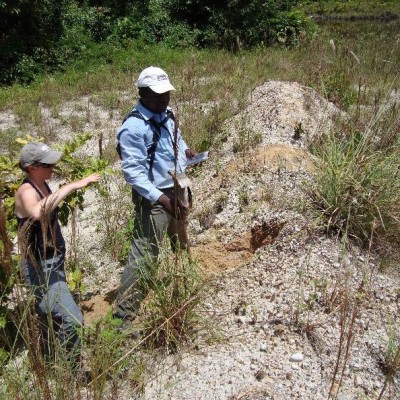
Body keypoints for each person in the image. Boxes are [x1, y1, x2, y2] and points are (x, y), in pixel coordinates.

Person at [114, 66, 196, 321]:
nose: (164, 99)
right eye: (158, 95)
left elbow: (176, 141)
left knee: (179, 238)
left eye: (167, 94)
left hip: (177, 188)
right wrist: (163, 199)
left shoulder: (167, 114)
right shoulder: (133, 129)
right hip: (155, 198)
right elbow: (134, 174)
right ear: (142, 93)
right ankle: (123, 316)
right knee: (145, 251)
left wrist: (187, 152)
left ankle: (183, 281)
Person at [15, 141, 100, 366]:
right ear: (32, 167)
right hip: (40, 267)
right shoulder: (26, 191)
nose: (53, 167)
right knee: (72, 319)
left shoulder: (42, 183)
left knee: (50, 315)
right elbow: (36, 211)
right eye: (48, 164)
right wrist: (69, 187)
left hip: (53, 261)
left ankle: (49, 359)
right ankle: (70, 368)